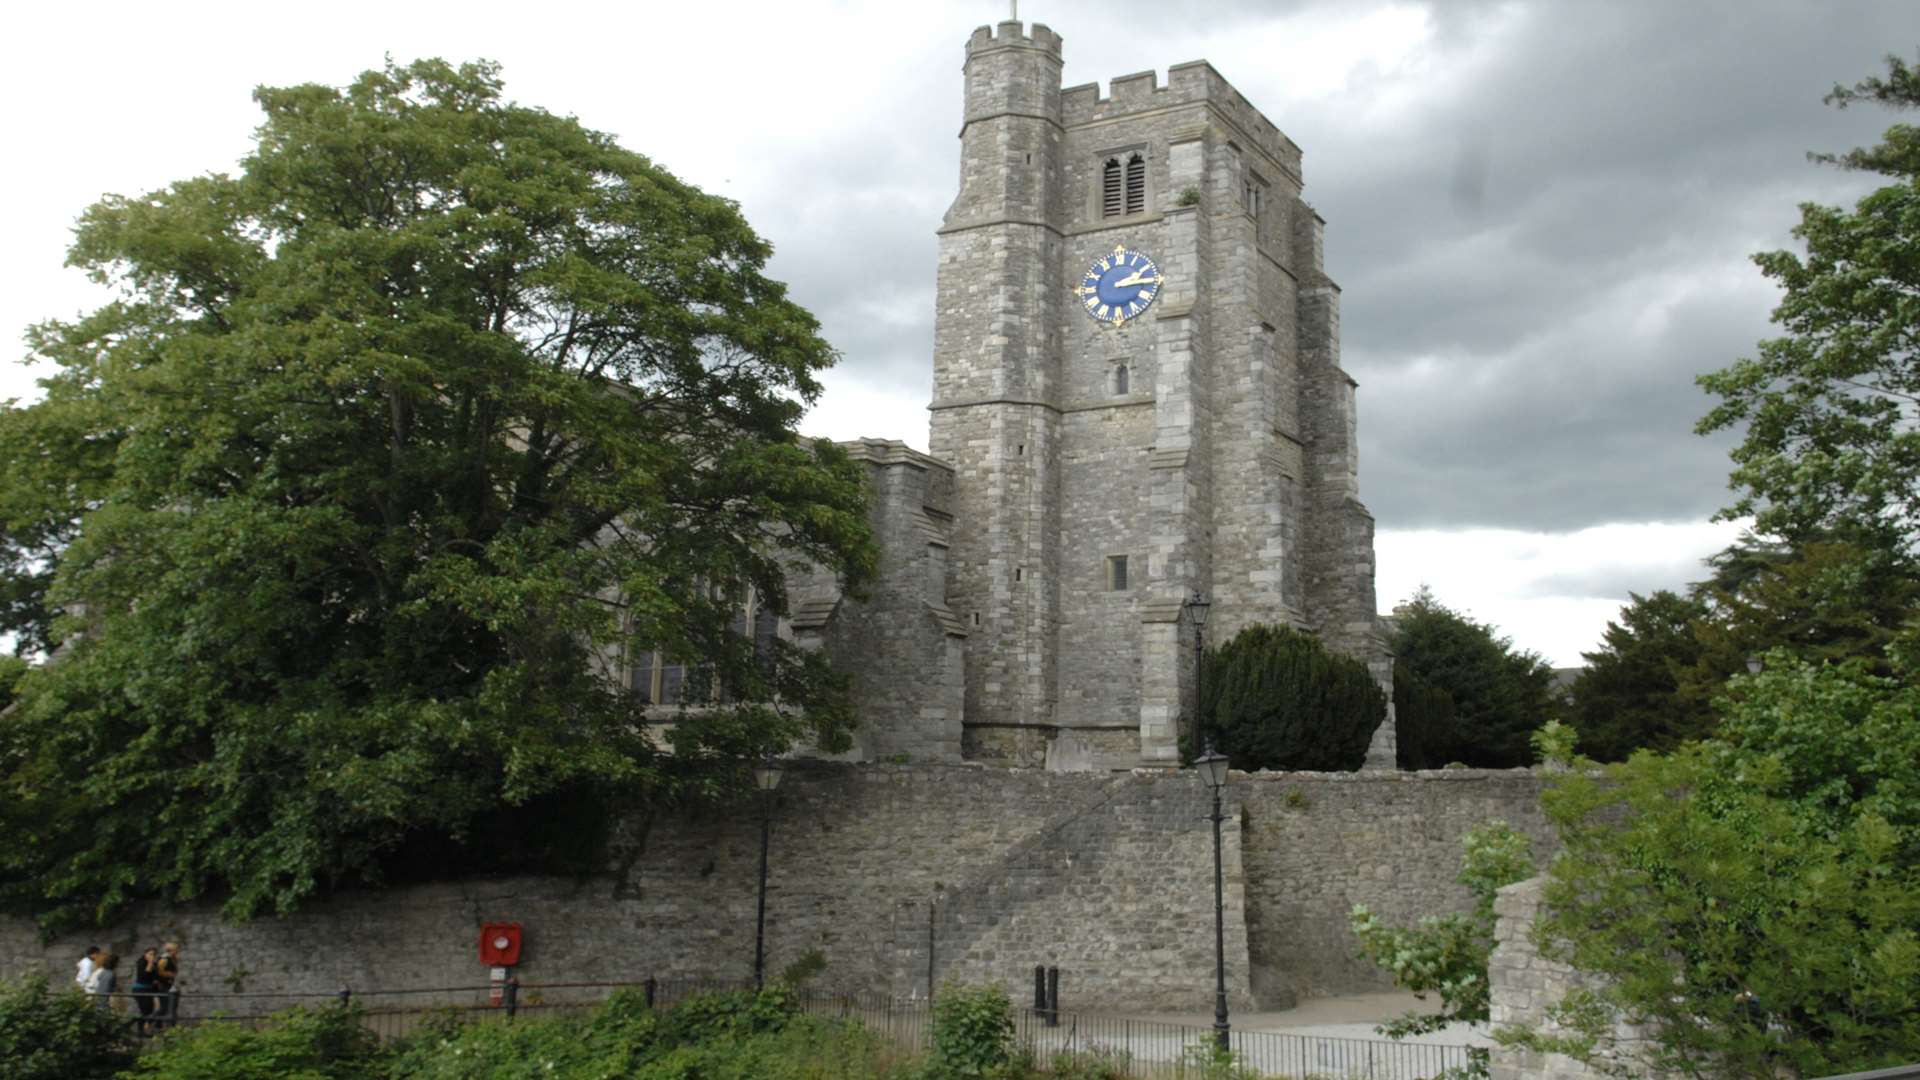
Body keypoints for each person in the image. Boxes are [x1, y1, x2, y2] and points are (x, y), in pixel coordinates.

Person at [130, 947, 162, 1033]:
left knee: (153, 1009)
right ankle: (139, 1030)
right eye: (150, 954)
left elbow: (155, 977)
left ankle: (140, 1028)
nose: (152, 956)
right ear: (145, 954)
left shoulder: (155, 965)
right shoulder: (141, 963)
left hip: (150, 989)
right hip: (140, 989)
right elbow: (144, 975)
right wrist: (150, 963)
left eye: (153, 954)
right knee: (145, 1011)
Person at [152, 942, 180, 1025]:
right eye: (176, 950)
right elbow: (158, 972)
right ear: (171, 950)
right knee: (164, 1008)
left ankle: (170, 1026)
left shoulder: (171, 958)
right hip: (163, 986)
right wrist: (169, 974)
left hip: (169, 985)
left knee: (171, 1007)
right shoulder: (164, 959)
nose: (177, 951)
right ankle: (150, 1020)